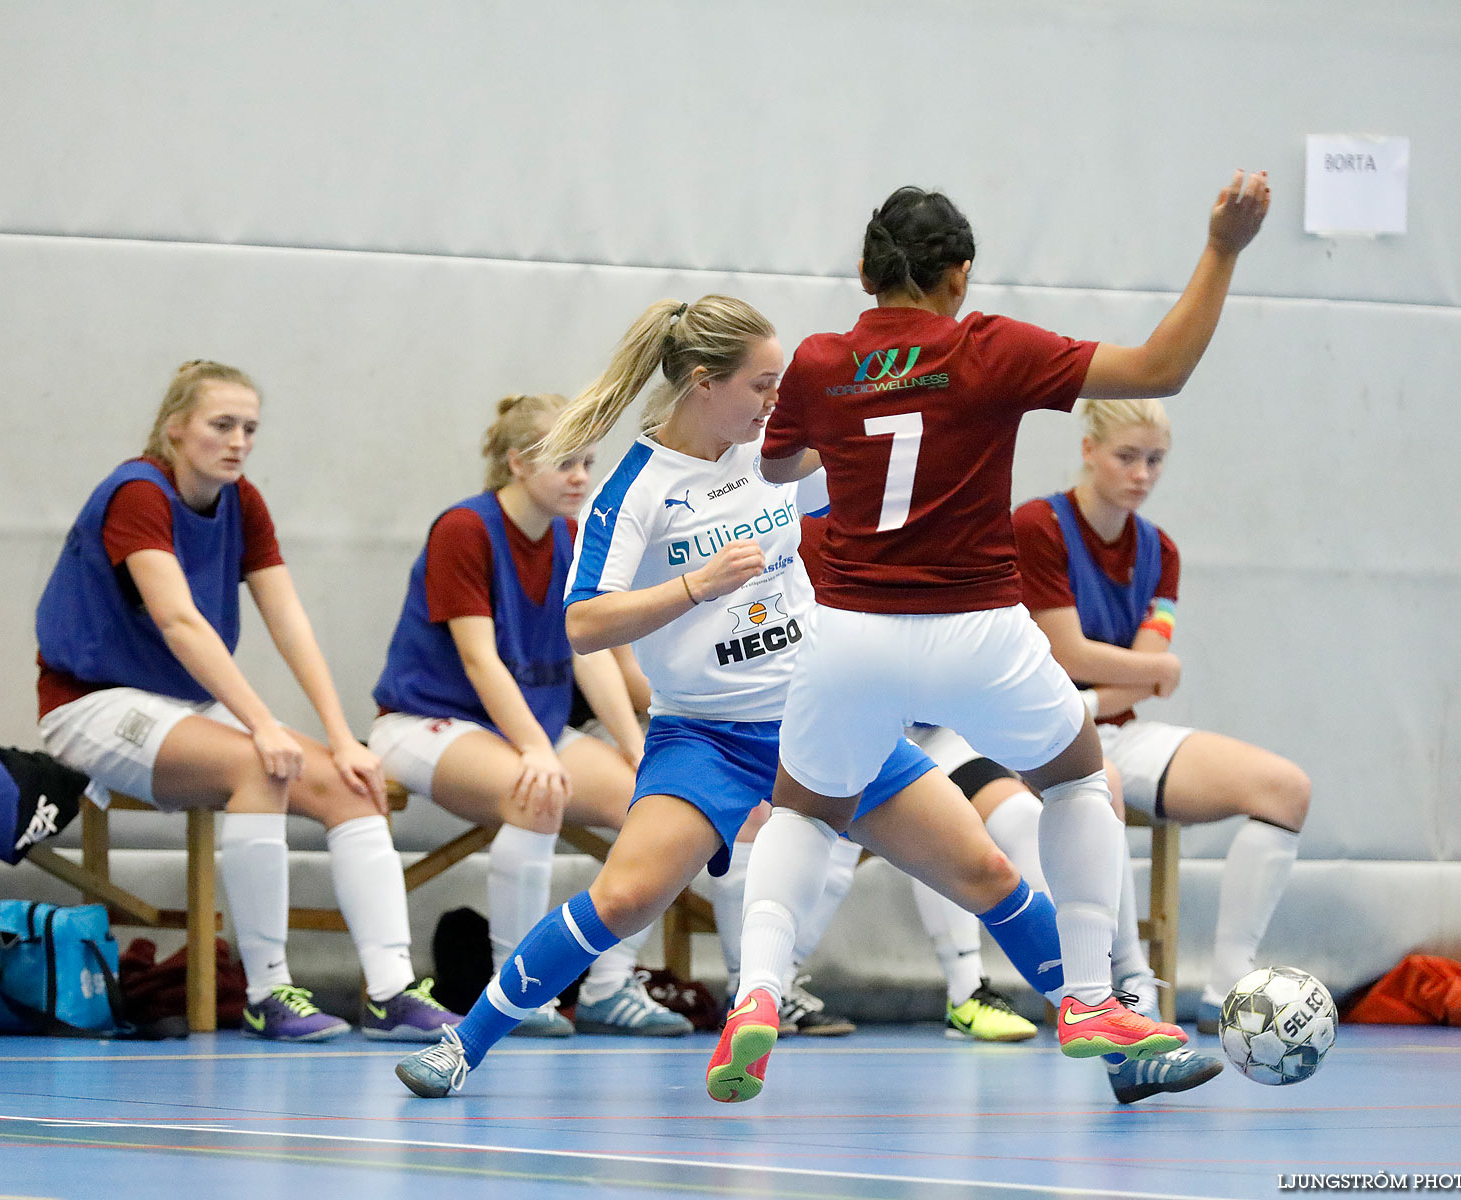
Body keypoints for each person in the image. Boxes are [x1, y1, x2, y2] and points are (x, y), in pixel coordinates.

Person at [395, 295, 1066, 1100]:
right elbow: (582, 624)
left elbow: (883, 484)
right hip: (705, 737)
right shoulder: (635, 488)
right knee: (626, 895)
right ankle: (463, 1046)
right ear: (704, 385)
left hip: (825, 720)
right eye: (762, 387)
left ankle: (1113, 1029)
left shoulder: (780, 457)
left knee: (987, 869)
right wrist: (693, 585)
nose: (775, 403)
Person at [742, 171, 1269, 1082]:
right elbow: (1161, 370)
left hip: (853, 632)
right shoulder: (990, 348)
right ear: (962, 277)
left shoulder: (820, 363)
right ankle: (1093, 1000)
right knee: (1077, 779)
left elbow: (779, 469)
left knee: (805, 810)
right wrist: (1223, 247)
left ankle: (755, 990)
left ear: (865, 273)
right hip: (977, 630)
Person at [34, 360, 441, 1041]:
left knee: (351, 788)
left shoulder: (241, 501)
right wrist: (261, 725)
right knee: (261, 765)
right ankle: (268, 991)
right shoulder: (138, 492)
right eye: (221, 425)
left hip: (183, 708)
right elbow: (179, 622)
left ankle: (391, 993)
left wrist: (343, 738)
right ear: (175, 429)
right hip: (94, 703)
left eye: (249, 428)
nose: (238, 441)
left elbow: (289, 621)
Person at [371, 393, 687, 1037]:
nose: (580, 478)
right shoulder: (464, 529)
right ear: (516, 463)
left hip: (526, 730)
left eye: (588, 463)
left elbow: (592, 657)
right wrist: (535, 750)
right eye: (565, 464)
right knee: (535, 790)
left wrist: (635, 747)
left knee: (660, 808)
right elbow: (480, 659)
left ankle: (608, 986)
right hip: (426, 723)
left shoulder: (570, 537)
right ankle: (517, 995)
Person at [1013, 395, 1310, 1033]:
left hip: (1114, 731)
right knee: (1101, 787)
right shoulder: (1038, 526)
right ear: (1088, 450)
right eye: (1127, 457)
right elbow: (1066, 654)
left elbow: (1142, 680)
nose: (1142, 474)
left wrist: (1131, 676)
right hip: (1034, 736)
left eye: (1155, 460)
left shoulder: (1161, 551)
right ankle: (1126, 982)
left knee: (1286, 789)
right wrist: (1142, 671)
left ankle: (1230, 991)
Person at [909, 727, 1225, 1103]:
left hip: (932, 737)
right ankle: (966, 990)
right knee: (913, 836)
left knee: (1010, 843)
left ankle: (1115, 1030)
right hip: (848, 731)